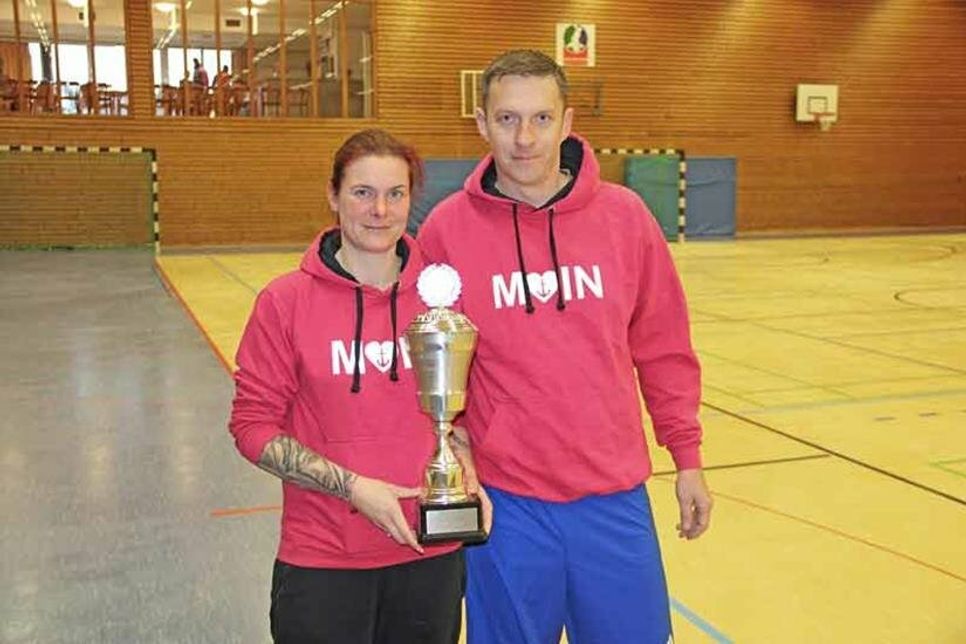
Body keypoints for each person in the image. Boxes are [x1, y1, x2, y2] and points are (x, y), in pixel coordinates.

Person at [418, 50, 713, 644]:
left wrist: (687, 458)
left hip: (614, 498)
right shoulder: (447, 229)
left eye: (541, 119)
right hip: (507, 503)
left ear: (568, 121)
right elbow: (424, 362)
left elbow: (663, 347)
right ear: (480, 124)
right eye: (506, 119)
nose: (525, 138)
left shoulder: (625, 219)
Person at [229, 128, 490, 644]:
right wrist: (353, 489)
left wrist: (469, 475)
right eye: (362, 193)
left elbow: (463, 416)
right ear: (333, 196)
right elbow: (250, 427)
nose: (380, 211)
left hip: (429, 552)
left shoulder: (444, 297)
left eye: (395, 194)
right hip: (323, 557)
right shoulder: (285, 302)